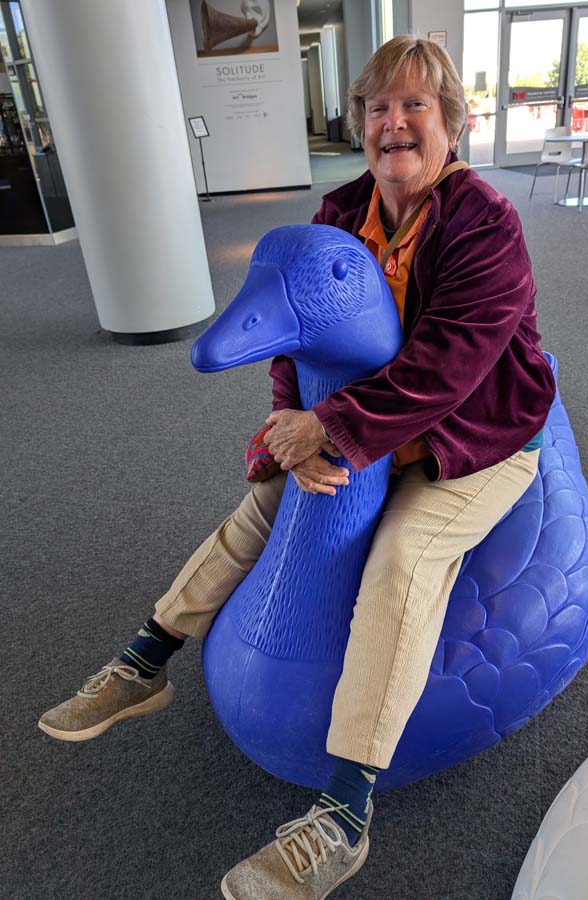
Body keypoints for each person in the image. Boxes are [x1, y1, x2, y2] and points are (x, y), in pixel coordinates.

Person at [39, 35, 555, 900]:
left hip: (474, 436)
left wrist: (336, 434)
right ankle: (143, 660)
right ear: (360, 124)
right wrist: (288, 429)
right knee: (261, 511)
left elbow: (448, 368)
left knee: (402, 560)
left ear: (452, 126)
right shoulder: (340, 209)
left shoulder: (485, 225)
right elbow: (295, 331)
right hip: (368, 423)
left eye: (415, 106)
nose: (394, 123)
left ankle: (345, 814)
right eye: (378, 108)